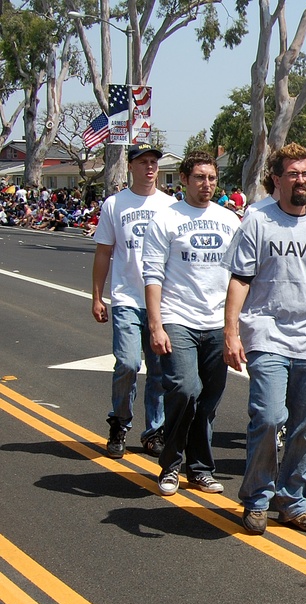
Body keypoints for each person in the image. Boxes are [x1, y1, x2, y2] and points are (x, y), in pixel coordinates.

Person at [222, 143, 306, 536]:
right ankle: (256, 498)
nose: (301, 181)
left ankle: (294, 501)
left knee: (301, 426)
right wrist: (231, 332)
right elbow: (240, 280)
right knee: (267, 417)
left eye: (305, 174)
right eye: (293, 174)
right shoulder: (257, 222)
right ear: (277, 180)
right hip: (266, 334)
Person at [142, 151, 241, 496]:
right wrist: (156, 326)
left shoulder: (230, 221)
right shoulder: (166, 220)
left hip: (217, 323)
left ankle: (199, 470)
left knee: (208, 402)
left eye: (212, 178)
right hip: (177, 318)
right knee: (185, 390)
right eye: (199, 177)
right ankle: (170, 465)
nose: (207, 184)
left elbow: (240, 277)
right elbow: (152, 275)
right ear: (184, 180)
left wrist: (235, 327)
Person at [91, 143, 174, 459]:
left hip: (163, 303)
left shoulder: (170, 206)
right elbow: (104, 252)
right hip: (126, 297)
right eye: (143, 162)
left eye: (154, 162)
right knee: (127, 364)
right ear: (131, 167)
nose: (150, 167)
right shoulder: (115, 204)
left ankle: (154, 431)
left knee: (159, 372)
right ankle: (119, 423)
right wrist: (98, 296)